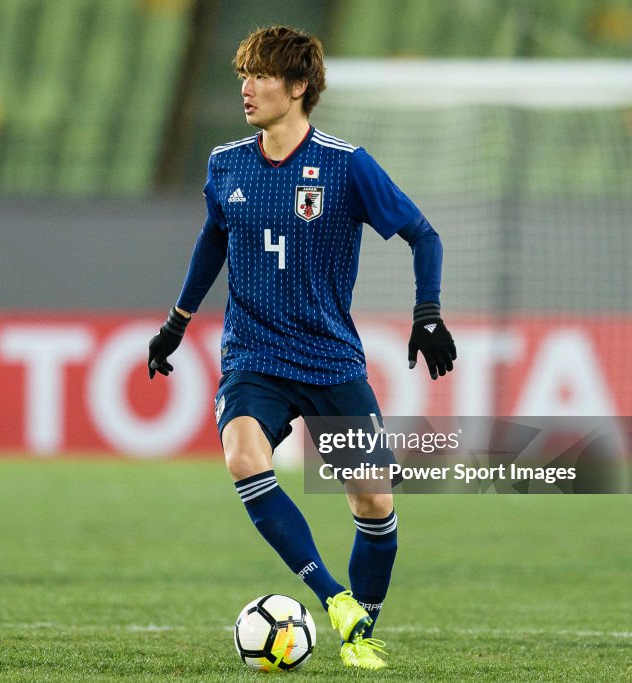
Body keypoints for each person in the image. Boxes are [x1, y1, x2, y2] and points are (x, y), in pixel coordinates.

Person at [148, 26, 456, 670]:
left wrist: (427, 315)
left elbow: (423, 235)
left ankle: (360, 634)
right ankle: (333, 598)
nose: (247, 87)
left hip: (329, 360)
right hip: (254, 357)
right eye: (244, 74)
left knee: (373, 500)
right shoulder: (226, 163)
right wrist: (177, 323)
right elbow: (213, 239)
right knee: (241, 454)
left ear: (298, 88)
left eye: (261, 76)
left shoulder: (346, 165)